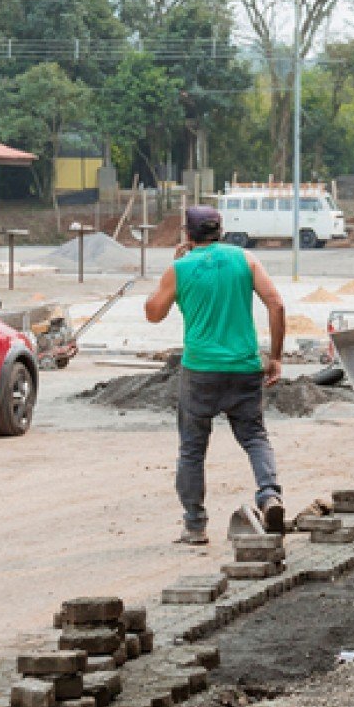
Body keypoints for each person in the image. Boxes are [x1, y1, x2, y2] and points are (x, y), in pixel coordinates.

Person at [143, 205, 285, 545]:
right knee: (253, 436)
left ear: (188, 235)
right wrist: (276, 357)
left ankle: (195, 525)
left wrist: (174, 267)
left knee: (192, 449)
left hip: (201, 371)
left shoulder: (180, 268)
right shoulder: (245, 260)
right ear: (220, 230)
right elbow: (276, 304)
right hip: (245, 367)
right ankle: (269, 496)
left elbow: (153, 314)